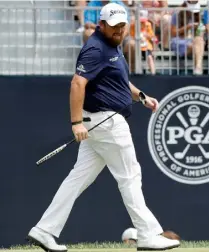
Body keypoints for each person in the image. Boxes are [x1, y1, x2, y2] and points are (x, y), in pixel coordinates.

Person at [26, 3, 180, 252]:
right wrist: (76, 122)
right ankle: (148, 234)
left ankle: (44, 230)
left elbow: (118, 82)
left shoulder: (111, 45)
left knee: (77, 179)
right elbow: (77, 84)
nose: (120, 30)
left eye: (122, 25)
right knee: (130, 176)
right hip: (106, 122)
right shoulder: (95, 48)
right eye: (115, 25)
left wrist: (141, 96)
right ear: (102, 24)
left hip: (100, 122)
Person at [170, 0, 205, 75]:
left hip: (194, 41)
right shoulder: (177, 14)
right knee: (195, 45)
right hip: (180, 40)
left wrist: (200, 30)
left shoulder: (199, 14)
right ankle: (198, 68)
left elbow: (200, 33)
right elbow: (173, 33)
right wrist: (187, 27)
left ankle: (198, 67)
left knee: (199, 40)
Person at [130, 9, 157, 75]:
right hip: (136, 46)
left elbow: (153, 37)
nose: (142, 23)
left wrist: (147, 35)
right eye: (140, 21)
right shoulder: (133, 26)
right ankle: (134, 72)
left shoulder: (148, 25)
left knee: (149, 57)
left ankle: (153, 73)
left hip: (146, 46)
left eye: (143, 21)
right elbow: (131, 35)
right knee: (135, 57)